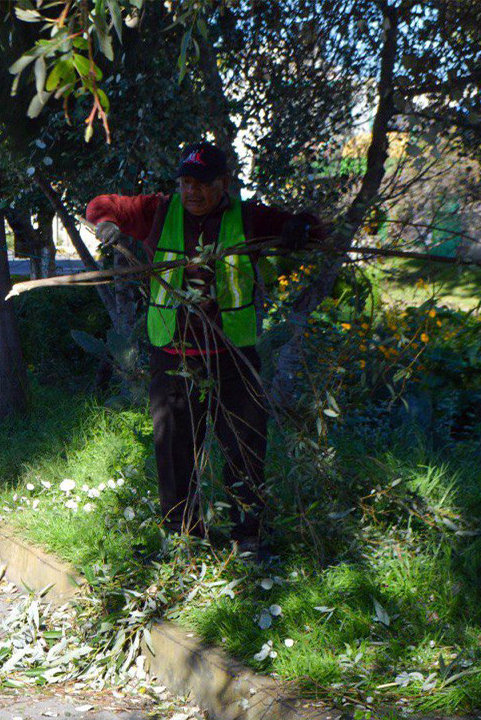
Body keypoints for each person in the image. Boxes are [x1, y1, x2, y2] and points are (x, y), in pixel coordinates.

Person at [85, 141, 321, 548]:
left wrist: (301, 230)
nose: (192, 192)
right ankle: (185, 537)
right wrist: (104, 223)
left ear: (224, 184)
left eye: (202, 184)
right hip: (174, 356)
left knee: (244, 447)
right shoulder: (157, 211)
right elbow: (99, 205)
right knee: (175, 453)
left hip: (232, 356)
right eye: (185, 182)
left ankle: (248, 537)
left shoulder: (246, 217)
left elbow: (302, 228)